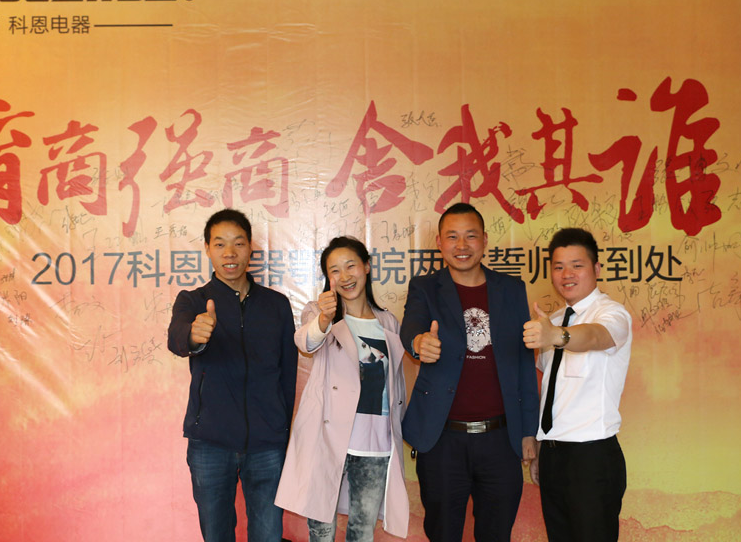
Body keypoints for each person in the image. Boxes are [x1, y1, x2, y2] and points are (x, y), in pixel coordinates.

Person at [400, 203, 539, 541]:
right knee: (443, 532)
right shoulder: (425, 288)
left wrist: (528, 431)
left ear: (485, 240)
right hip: (442, 439)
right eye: (452, 237)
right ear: (439, 242)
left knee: (497, 533)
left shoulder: (511, 289)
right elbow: (411, 328)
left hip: (500, 439)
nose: (461, 246)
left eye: (470, 236)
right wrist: (419, 343)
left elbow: (524, 362)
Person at [167, 208, 297, 542]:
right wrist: (194, 335)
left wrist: (283, 430)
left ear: (250, 247)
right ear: (207, 249)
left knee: (268, 535)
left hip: (267, 443)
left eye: (238, 243)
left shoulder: (276, 305)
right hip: (210, 441)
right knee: (216, 535)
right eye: (220, 244)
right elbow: (176, 338)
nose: (230, 253)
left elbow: (288, 374)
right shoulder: (193, 301)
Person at [275, 236, 409, 541]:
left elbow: (396, 385)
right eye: (334, 270)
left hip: (376, 443)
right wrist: (324, 318)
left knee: (362, 532)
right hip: (326, 439)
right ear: (328, 278)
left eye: (351, 266)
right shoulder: (319, 313)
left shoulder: (388, 321)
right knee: (321, 531)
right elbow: (306, 342)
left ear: (367, 266)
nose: (345, 276)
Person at [523, 227, 632, 542]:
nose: (566, 274)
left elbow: (596, 336)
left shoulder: (612, 313)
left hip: (592, 458)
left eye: (577, 265)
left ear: (596, 269)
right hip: (553, 455)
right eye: (558, 267)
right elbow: (553, 392)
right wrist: (542, 445)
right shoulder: (554, 320)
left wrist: (558, 336)